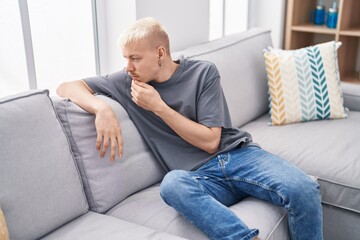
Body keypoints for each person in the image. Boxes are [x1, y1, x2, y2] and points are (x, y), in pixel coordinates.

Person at [57, 17, 323, 240]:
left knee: (303, 189)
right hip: (199, 177)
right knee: (172, 184)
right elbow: (67, 87)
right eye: (126, 59)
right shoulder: (127, 81)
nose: (128, 67)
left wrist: (158, 106)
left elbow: (210, 141)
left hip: (238, 156)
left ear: (160, 53)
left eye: (135, 58)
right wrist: (101, 109)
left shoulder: (203, 72)